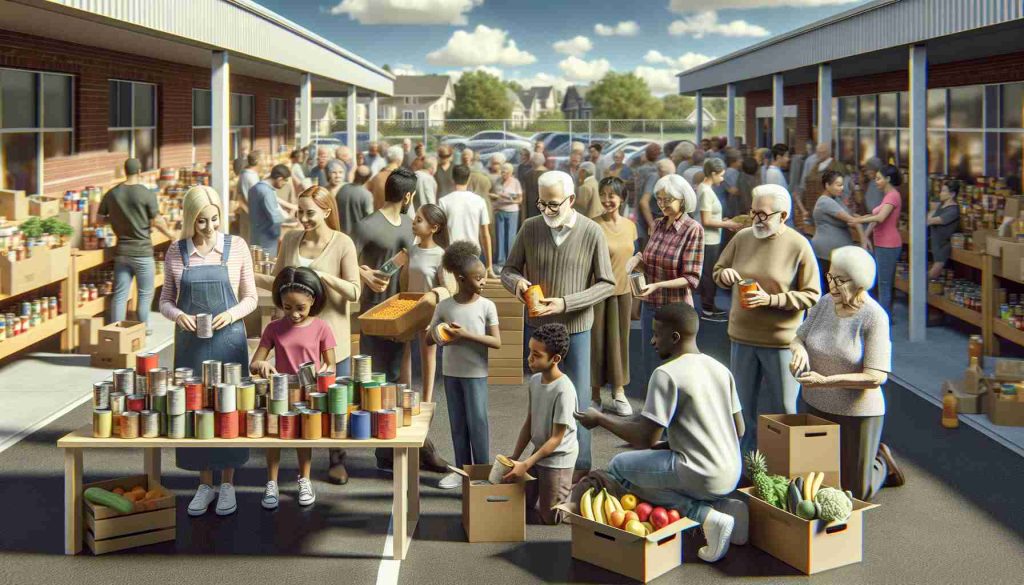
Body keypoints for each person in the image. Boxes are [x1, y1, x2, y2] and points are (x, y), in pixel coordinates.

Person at [574, 302, 747, 563]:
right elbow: (740, 429)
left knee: (620, 467)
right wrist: (676, 444)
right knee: (654, 467)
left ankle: (704, 516)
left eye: (657, 334)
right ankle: (722, 507)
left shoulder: (666, 373)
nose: (652, 341)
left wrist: (599, 418)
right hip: (732, 472)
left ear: (674, 337)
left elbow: (645, 438)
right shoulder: (720, 369)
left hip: (700, 473)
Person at [501, 170, 616, 482]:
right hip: (539, 329)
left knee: (577, 400)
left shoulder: (592, 232)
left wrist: (566, 303)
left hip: (575, 330)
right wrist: (519, 284)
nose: (547, 211)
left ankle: (581, 469)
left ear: (572, 200)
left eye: (553, 205)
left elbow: (607, 284)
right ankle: (543, 465)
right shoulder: (530, 227)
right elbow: (507, 270)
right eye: (542, 204)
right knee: (541, 398)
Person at [160, 186, 256, 517]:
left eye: (215, 219)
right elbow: (165, 301)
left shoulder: (237, 247)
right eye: (202, 221)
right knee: (197, 408)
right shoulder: (175, 251)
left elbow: (251, 298)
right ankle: (204, 484)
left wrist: (231, 314)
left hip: (229, 341)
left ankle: (227, 483)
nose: (210, 227)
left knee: (228, 410)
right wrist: (179, 316)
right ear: (190, 220)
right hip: (191, 346)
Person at [255, 186, 360, 485]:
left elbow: (355, 290)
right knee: (299, 399)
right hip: (295, 336)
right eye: (299, 212)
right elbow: (278, 281)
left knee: (334, 401)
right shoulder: (289, 239)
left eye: (309, 212)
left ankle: (337, 460)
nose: (303, 218)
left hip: (330, 336)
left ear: (327, 211)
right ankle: (303, 469)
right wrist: (244, 275)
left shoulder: (342, 244)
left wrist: (322, 277)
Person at [713, 184, 821, 455]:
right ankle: (745, 465)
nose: (756, 220)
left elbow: (812, 295)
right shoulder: (742, 238)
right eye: (753, 213)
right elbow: (719, 269)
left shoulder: (799, 245)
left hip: (781, 341)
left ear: (783, 216)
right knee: (741, 408)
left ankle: (792, 467)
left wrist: (771, 300)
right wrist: (724, 275)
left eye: (763, 215)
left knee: (785, 409)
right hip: (742, 336)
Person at [790, 246, 903, 501]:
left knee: (856, 493)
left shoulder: (874, 317)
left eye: (839, 280)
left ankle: (881, 462)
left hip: (856, 411)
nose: (831, 284)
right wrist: (799, 352)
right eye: (830, 277)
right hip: (813, 403)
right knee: (815, 483)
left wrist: (826, 381)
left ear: (860, 282)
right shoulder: (824, 304)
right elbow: (798, 337)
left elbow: (876, 376)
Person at [251, 267, 336, 509]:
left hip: (308, 393)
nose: (294, 314)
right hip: (279, 391)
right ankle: (271, 482)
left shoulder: (322, 327)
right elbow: (254, 362)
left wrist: (324, 372)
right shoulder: (274, 328)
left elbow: (331, 364)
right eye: (287, 308)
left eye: (300, 308)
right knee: (273, 438)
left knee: (303, 437)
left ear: (313, 300)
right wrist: (262, 365)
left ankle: (305, 479)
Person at [429, 241, 501, 489]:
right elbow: (429, 337)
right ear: (460, 278)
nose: (483, 281)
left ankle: (481, 472)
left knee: (478, 422)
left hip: (476, 373)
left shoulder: (487, 306)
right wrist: (441, 333)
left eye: (483, 277)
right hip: (451, 373)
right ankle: (461, 470)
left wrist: (466, 335)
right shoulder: (445, 306)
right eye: (478, 278)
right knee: (458, 423)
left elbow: (496, 341)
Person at [627, 174, 704, 386]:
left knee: (676, 369)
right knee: (651, 365)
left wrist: (657, 285)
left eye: (667, 200)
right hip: (651, 307)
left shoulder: (693, 229)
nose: (662, 204)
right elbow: (652, 263)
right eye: (659, 199)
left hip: (676, 312)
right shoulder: (659, 224)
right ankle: (652, 413)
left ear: (683, 199)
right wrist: (637, 261)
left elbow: (691, 278)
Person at [506, 323, 578, 524]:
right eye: (530, 351)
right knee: (523, 503)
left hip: (558, 458)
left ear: (555, 359)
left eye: (536, 355)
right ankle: (557, 488)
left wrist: (526, 464)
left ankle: (579, 492)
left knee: (550, 517)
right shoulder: (535, 381)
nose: (529, 358)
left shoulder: (564, 390)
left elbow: (556, 439)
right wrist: (515, 457)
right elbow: (529, 422)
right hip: (540, 452)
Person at [99, 158, 175, 333]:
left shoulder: (112, 194)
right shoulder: (146, 193)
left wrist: (117, 218)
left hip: (122, 252)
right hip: (142, 252)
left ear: (125, 171)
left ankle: (115, 330)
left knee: (120, 295)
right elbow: (156, 220)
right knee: (145, 293)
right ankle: (143, 329)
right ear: (140, 171)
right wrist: (171, 235)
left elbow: (98, 219)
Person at [355, 168, 415, 386]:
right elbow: (342, 259)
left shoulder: (411, 225)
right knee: (371, 377)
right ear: (408, 196)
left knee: (396, 375)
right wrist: (363, 273)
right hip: (373, 311)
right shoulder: (367, 225)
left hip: (400, 310)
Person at [397, 204, 454, 403]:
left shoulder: (442, 255)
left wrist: (433, 297)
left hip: (429, 313)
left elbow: (449, 289)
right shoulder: (410, 251)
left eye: (419, 220)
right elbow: (403, 281)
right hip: (408, 310)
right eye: (415, 219)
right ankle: (406, 398)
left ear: (434, 228)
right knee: (404, 356)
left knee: (427, 357)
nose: (414, 222)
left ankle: (427, 401)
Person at [591, 177, 637, 416]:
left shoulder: (630, 226)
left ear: (622, 198)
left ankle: (619, 392)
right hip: (600, 293)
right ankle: (595, 394)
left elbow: (632, 257)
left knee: (621, 345)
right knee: (597, 343)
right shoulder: (592, 225)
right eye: (604, 195)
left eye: (612, 195)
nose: (607, 200)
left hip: (624, 292)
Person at [849, 164, 903, 321]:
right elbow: (876, 220)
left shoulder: (892, 195)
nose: (876, 181)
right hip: (882, 243)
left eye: (879, 178)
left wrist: (859, 219)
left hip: (888, 244)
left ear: (887, 179)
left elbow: (880, 218)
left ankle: (882, 320)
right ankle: (886, 316)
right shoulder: (887, 196)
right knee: (884, 283)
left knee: (884, 284)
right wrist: (865, 236)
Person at [696, 158, 742, 320]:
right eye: (721, 176)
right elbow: (706, 220)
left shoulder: (705, 189)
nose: (722, 179)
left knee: (710, 272)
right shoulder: (705, 191)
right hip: (709, 239)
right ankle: (707, 308)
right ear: (713, 174)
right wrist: (727, 224)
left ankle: (709, 305)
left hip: (712, 237)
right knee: (709, 274)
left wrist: (723, 222)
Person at [812, 170, 867, 292]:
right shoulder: (825, 201)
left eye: (842, 185)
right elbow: (852, 220)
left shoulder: (836, 199)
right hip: (827, 253)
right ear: (827, 185)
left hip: (835, 254)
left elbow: (852, 217)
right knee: (832, 290)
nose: (841, 188)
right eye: (838, 185)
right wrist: (863, 240)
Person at [438, 165, 495, 276]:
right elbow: (485, 235)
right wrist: (489, 266)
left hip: (451, 254)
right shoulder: (479, 201)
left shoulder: (443, 201)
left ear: (452, 178)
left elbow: (440, 234)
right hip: (473, 254)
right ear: (469, 179)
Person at [247, 164, 292, 257]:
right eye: (285, 181)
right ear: (279, 179)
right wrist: (290, 219)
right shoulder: (267, 192)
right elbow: (275, 218)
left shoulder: (254, 188)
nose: (284, 184)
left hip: (255, 236)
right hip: (268, 241)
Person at [800, 142, 847, 224]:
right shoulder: (815, 166)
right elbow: (807, 182)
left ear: (828, 152)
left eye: (822, 152)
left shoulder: (837, 166)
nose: (819, 154)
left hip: (830, 207)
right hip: (813, 207)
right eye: (818, 152)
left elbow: (842, 188)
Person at [928, 181, 962, 279]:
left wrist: (930, 215)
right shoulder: (941, 206)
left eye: (943, 191)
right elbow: (928, 217)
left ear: (952, 194)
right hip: (934, 244)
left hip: (942, 247)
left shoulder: (953, 210)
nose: (940, 193)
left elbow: (932, 220)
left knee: (932, 275)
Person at [492, 162, 523, 269]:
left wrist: (509, 199)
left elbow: (520, 199)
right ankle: (500, 262)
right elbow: (493, 195)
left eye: (505, 172)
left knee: (510, 237)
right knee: (500, 237)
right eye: (502, 171)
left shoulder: (515, 182)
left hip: (512, 211)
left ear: (510, 172)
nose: (503, 173)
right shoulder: (497, 181)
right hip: (499, 211)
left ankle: (510, 262)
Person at [764, 144, 798, 227]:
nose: (788, 159)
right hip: (783, 218)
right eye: (786, 156)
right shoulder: (774, 173)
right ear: (779, 157)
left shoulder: (774, 171)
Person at [335, 165, 374, 235]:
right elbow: (370, 218)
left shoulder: (342, 189)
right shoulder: (366, 195)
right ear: (367, 179)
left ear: (355, 175)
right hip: (358, 236)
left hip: (341, 234)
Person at [368, 145, 404, 211]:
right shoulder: (403, 178)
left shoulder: (376, 177)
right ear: (400, 160)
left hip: (377, 216)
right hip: (395, 218)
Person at [235, 152, 261, 241]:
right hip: (252, 213)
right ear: (258, 162)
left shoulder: (243, 174)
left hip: (246, 212)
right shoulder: (251, 177)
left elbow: (238, 195)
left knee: (245, 238)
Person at [523, 152, 548, 220]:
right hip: (544, 203)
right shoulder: (548, 174)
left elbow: (524, 192)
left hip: (530, 205)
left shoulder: (527, 174)